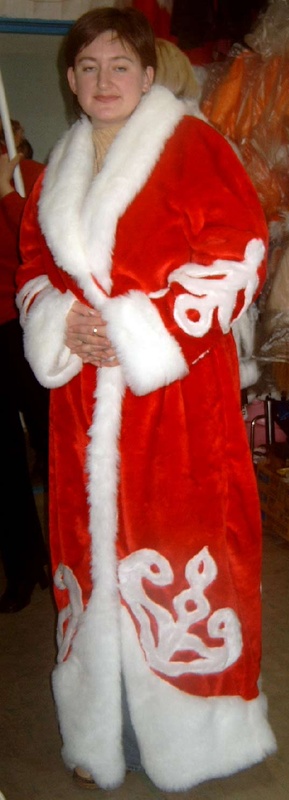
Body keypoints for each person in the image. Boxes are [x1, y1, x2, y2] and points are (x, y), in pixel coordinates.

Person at [16, 6, 276, 792]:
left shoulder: (194, 145)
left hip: (175, 399)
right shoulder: (57, 166)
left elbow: (241, 249)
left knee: (177, 547)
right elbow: (33, 265)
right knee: (90, 556)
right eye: (89, 67)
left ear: (148, 73)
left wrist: (140, 330)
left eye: (120, 65)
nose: (105, 81)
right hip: (81, 402)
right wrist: (63, 322)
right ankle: (105, 729)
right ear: (70, 78)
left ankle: (196, 736)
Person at [0, 121, 49, 613]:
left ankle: (73, 559)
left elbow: (48, 253)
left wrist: (7, 196)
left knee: (58, 450)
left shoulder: (29, 174)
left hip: (27, 325)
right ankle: (23, 566)